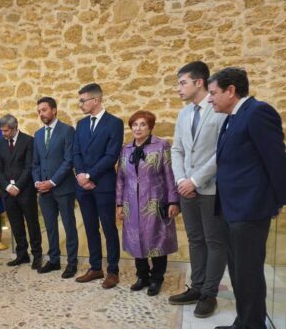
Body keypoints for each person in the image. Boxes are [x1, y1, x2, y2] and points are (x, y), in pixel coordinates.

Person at [209, 67, 286, 329]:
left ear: (231, 91)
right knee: (238, 271)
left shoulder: (258, 112)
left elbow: (276, 159)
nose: (210, 100)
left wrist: (278, 200)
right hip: (233, 208)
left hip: (250, 208)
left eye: (213, 93)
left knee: (250, 273)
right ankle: (243, 321)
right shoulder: (233, 118)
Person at [168, 61, 229, 318]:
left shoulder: (219, 110)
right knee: (194, 239)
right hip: (187, 188)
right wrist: (183, 180)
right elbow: (177, 149)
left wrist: (195, 180)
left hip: (211, 187)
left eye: (183, 83)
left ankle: (209, 294)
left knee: (214, 241)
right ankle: (197, 286)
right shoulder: (184, 113)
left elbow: (221, 151)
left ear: (199, 82)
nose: (178, 88)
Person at [115, 111, 180, 296]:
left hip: (154, 200)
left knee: (158, 240)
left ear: (150, 127)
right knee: (136, 240)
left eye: (142, 124)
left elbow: (170, 174)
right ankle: (142, 276)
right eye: (135, 124)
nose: (138, 128)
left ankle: (156, 279)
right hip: (131, 203)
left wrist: (173, 200)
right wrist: (119, 204)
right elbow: (120, 179)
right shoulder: (125, 149)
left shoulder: (161, 146)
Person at [73, 83, 123, 289]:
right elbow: (76, 152)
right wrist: (80, 176)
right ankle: (95, 267)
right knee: (90, 227)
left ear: (96, 100)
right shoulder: (81, 124)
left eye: (83, 100)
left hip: (103, 185)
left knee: (108, 227)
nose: (80, 105)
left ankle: (113, 270)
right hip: (83, 187)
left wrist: (90, 174)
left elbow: (111, 155)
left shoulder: (114, 123)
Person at [32, 97, 78, 278]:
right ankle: (54, 260)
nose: (41, 114)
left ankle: (72, 263)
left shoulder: (67, 131)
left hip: (63, 188)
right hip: (43, 191)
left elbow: (69, 161)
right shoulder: (37, 135)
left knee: (69, 226)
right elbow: (35, 163)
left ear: (54, 110)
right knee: (50, 227)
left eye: (44, 110)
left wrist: (52, 182)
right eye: (39, 112)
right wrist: (37, 182)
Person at [0, 114, 42, 269]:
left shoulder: (28, 141)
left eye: (6, 131)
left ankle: (37, 255)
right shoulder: (0, 143)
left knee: (32, 224)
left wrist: (18, 186)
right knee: (15, 224)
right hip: (8, 192)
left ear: (15, 127)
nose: (4, 134)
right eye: (2, 131)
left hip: (25, 190)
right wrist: (7, 187)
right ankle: (22, 255)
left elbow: (29, 166)